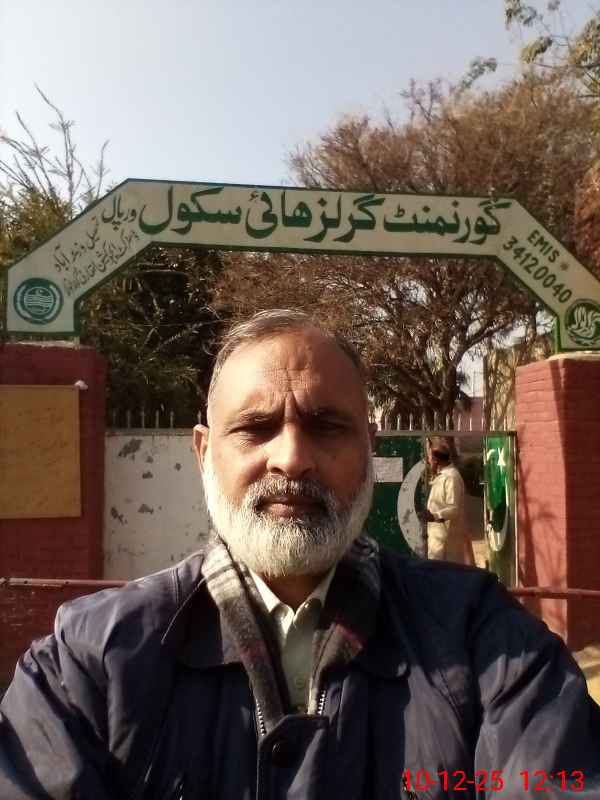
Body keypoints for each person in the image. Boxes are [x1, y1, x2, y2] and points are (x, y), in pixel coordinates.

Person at [1, 308, 599, 799]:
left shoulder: (486, 641)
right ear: (204, 452)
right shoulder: (89, 663)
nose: (291, 458)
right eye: (255, 427)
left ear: (368, 449)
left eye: (327, 426)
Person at [424, 437, 474, 565]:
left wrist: (434, 515)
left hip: (447, 542)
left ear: (436, 460)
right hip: (437, 540)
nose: (428, 461)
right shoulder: (442, 476)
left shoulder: (451, 477)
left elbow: (454, 509)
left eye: (429, 458)